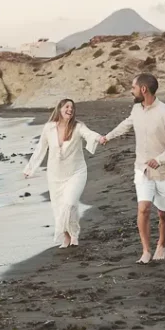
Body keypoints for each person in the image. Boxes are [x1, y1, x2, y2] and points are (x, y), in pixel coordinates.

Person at [100, 73, 165, 264]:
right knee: (143, 208)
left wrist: (161, 159)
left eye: (133, 87)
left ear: (143, 89)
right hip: (142, 170)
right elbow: (127, 124)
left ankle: (161, 245)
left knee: (163, 215)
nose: (131, 91)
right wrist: (108, 136)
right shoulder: (136, 109)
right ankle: (146, 250)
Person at [23, 98, 104, 248]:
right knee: (59, 207)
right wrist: (30, 168)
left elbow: (89, 134)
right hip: (55, 175)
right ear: (60, 109)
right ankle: (69, 237)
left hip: (76, 172)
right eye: (67, 106)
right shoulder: (49, 128)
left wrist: (99, 138)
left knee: (69, 203)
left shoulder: (78, 127)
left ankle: (71, 232)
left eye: (72, 108)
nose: (70, 109)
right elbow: (40, 148)